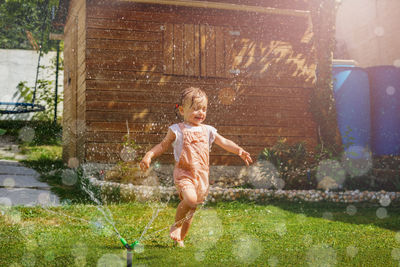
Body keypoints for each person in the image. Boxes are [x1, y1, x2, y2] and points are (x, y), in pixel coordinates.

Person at [139, 87, 252, 247]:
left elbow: (224, 142)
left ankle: (181, 239)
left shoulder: (208, 130)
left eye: (204, 109)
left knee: (191, 210)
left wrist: (239, 150)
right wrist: (149, 155)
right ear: (182, 110)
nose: (201, 112)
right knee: (190, 200)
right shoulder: (177, 130)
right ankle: (176, 226)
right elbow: (163, 146)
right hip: (184, 173)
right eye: (196, 108)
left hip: (202, 177)